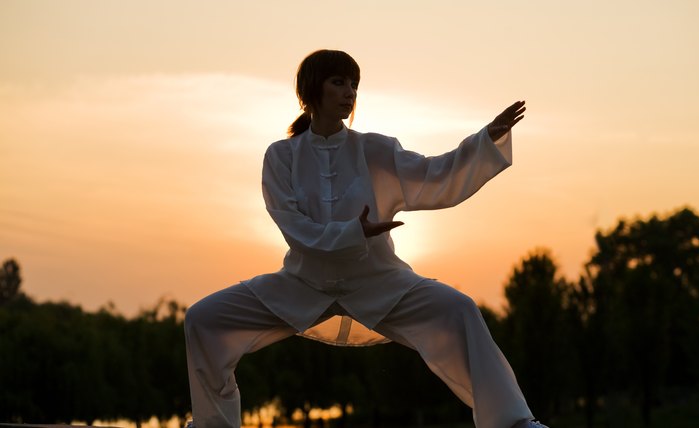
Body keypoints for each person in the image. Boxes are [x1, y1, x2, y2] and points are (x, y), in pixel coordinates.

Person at [184, 49, 548, 428]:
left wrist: (483, 141)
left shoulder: (375, 149)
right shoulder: (281, 156)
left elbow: (434, 175)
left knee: (460, 310)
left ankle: (513, 423)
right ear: (311, 89)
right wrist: (353, 232)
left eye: (354, 84)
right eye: (338, 82)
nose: (349, 92)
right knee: (203, 320)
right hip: (302, 285)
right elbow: (292, 225)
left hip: (380, 282)